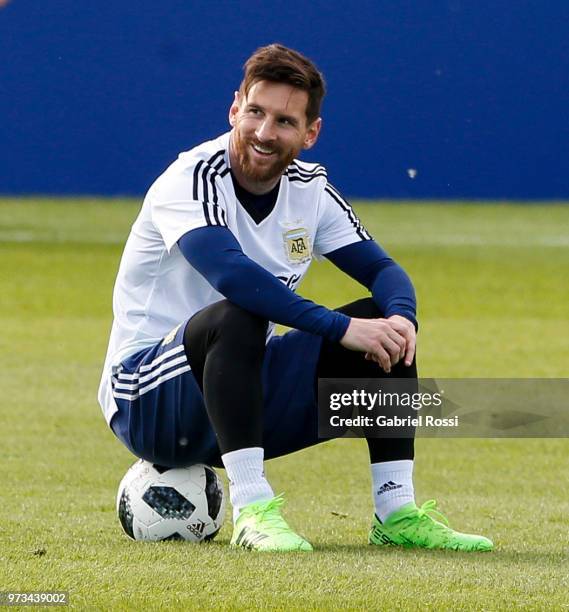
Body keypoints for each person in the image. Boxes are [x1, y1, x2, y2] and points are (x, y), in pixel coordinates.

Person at [98, 43, 493, 553]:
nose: (264, 132)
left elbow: (382, 270)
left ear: (310, 134)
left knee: (382, 322)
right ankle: (253, 510)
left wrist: (402, 319)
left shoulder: (311, 191)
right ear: (234, 108)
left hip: (236, 390)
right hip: (147, 399)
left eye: (284, 121)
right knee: (242, 313)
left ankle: (396, 512)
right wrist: (339, 328)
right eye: (255, 112)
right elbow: (235, 276)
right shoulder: (191, 178)